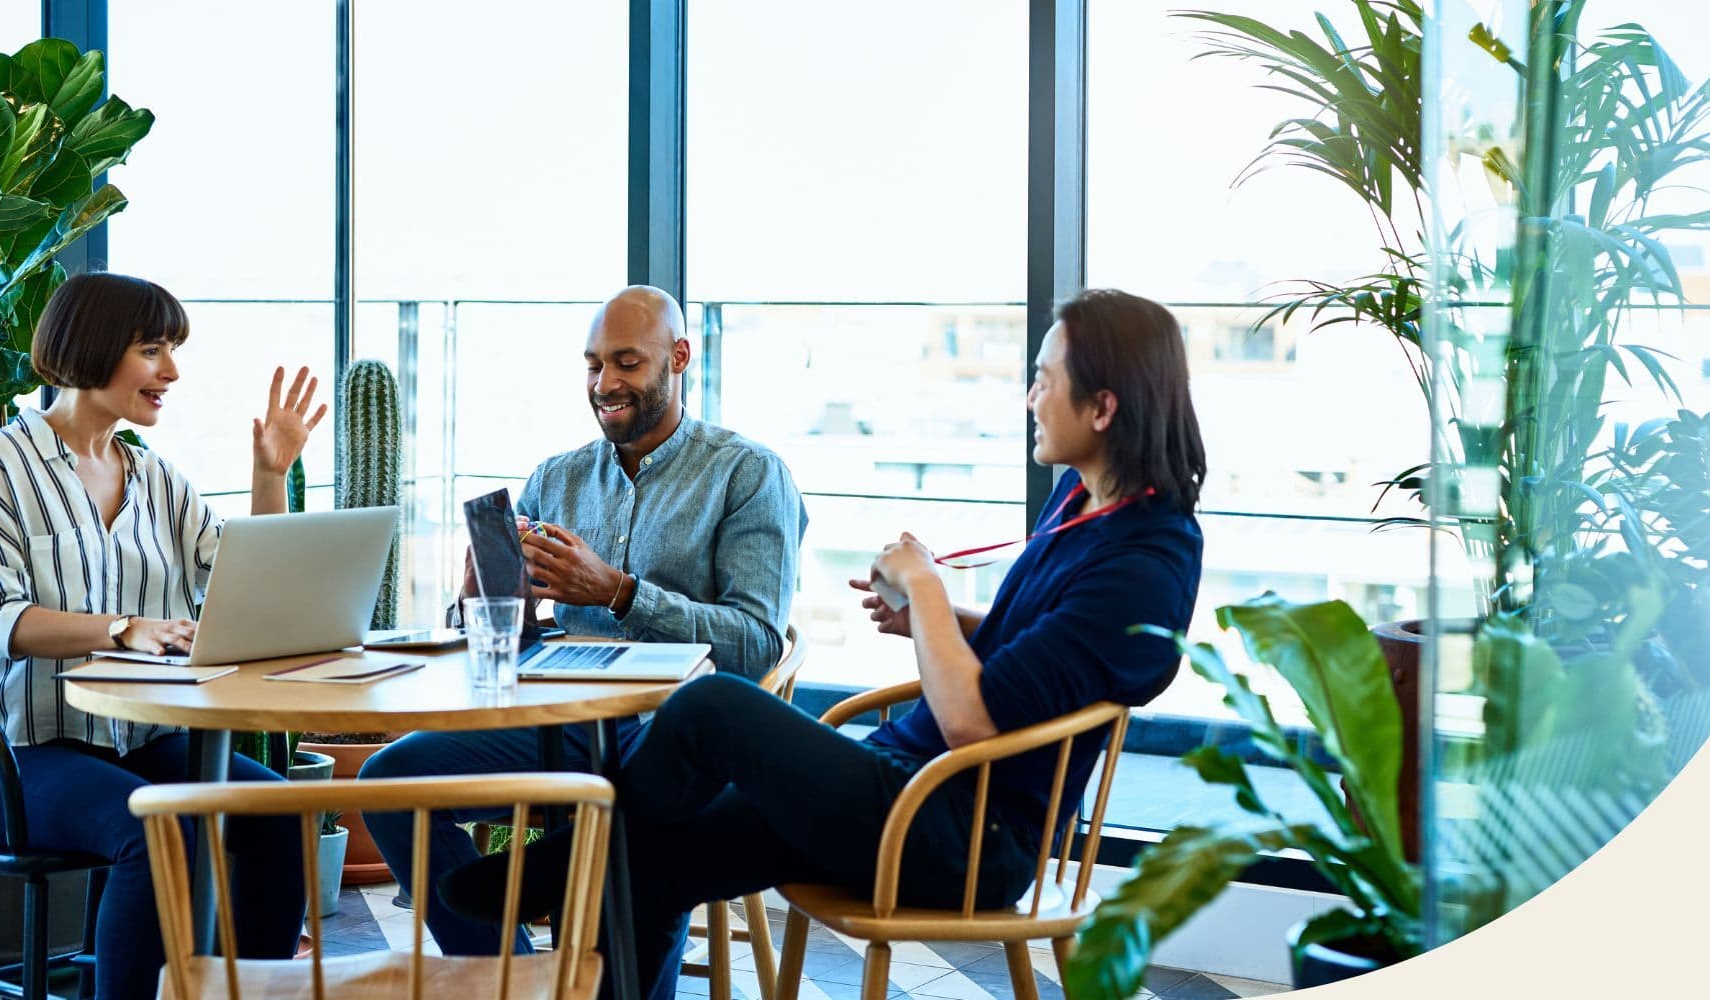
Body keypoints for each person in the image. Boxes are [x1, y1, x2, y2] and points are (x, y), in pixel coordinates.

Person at [438, 287, 1210, 999]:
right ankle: (578, 861)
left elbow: (978, 723)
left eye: (1044, 378)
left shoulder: (1145, 561)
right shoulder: (1082, 502)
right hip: (907, 780)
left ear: (1103, 406)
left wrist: (932, 589)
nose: (1030, 397)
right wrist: (931, 621)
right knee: (651, 863)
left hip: (962, 838)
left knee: (712, 708)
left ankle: (563, 859)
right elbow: (1035, 653)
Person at [361, 284, 807, 954]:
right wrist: (481, 600)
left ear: (679, 357)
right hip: (555, 726)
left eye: (627, 363)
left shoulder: (746, 474)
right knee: (389, 781)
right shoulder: (557, 477)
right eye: (594, 364)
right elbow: (508, 639)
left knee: (638, 818)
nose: (605, 383)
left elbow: (755, 646)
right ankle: (500, 974)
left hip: (672, 739)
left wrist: (620, 592)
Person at [0, 271, 326, 999]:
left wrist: (269, 473)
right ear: (92, 350)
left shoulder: (155, 478)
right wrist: (122, 629)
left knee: (283, 813)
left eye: (171, 351)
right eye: (153, 350)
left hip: (135, 741)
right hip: (16, 752)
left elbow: (250, 587)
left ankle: (248, 992)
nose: (172, 372)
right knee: (157, 835)